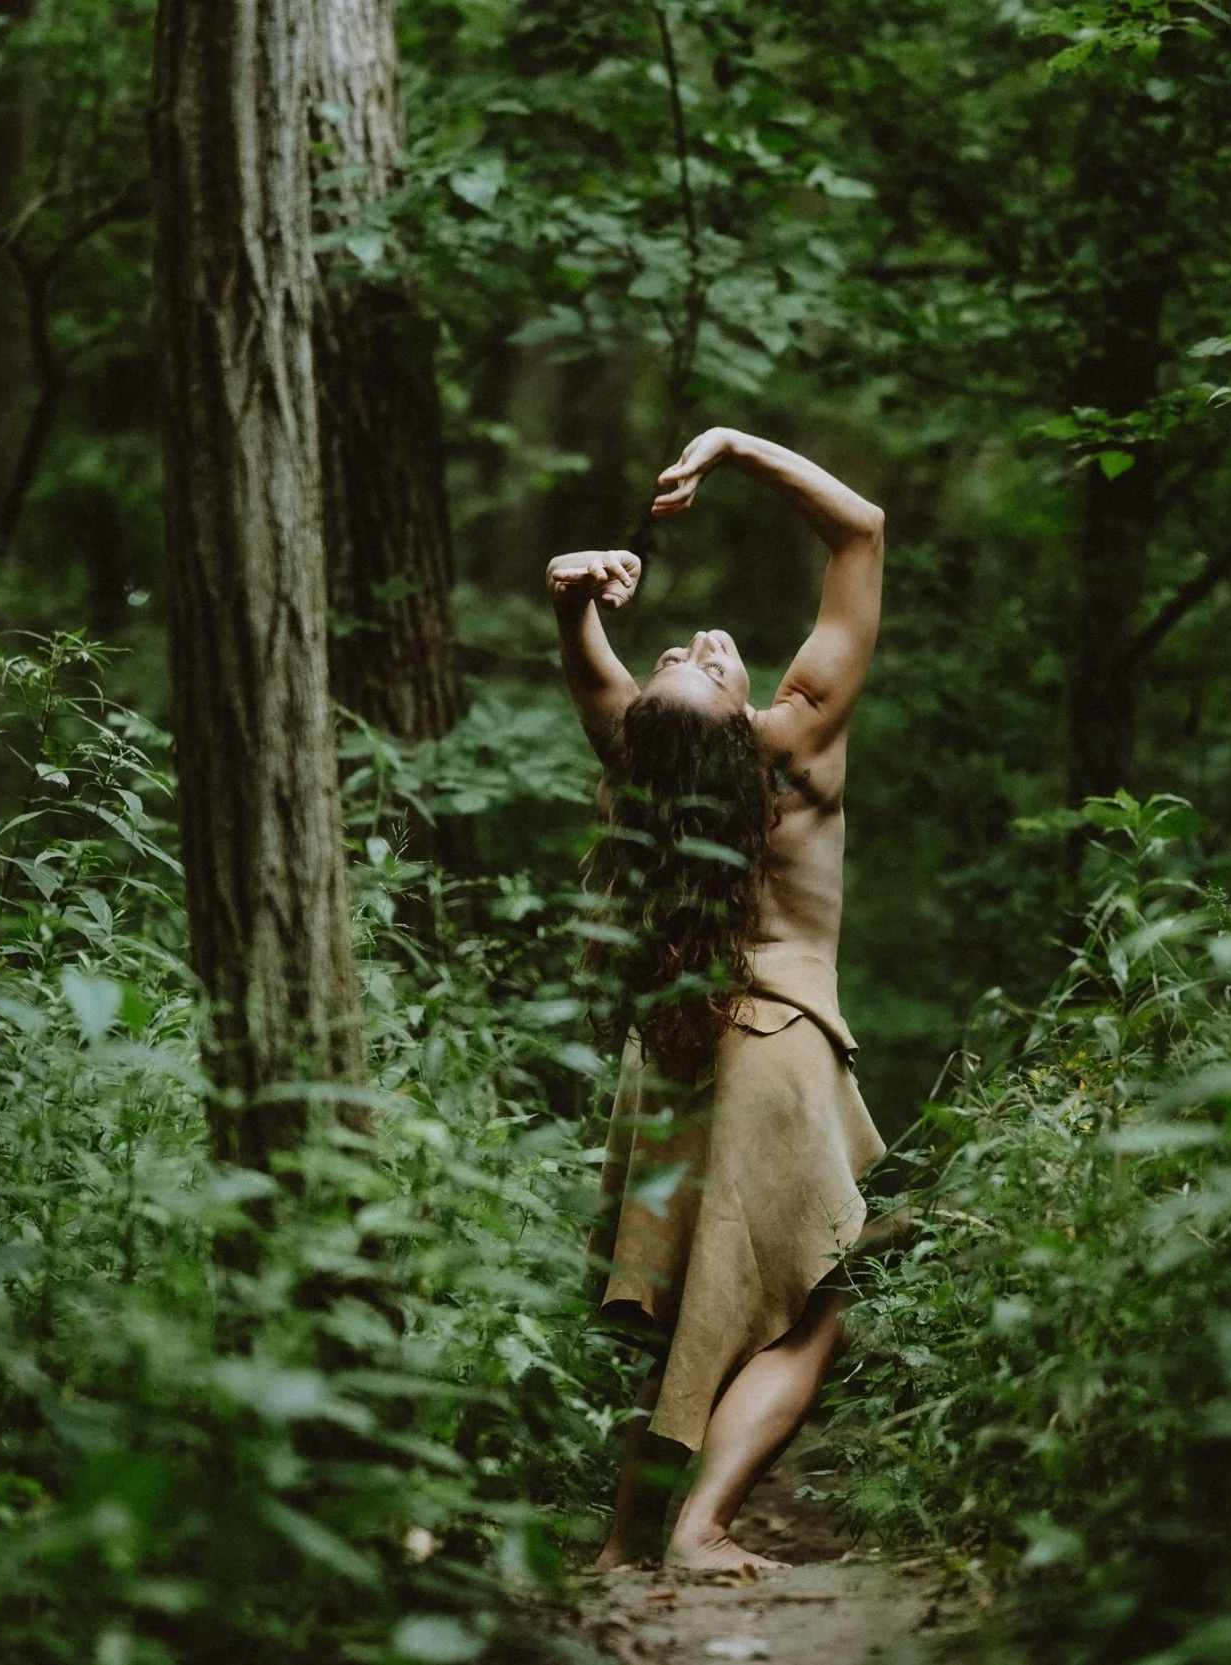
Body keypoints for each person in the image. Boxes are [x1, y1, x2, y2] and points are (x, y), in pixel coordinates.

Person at [546, 426, 887, 1574]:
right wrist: (734, 449)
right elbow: (861, 531)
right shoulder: (792, 745)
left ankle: (624, 1542)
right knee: (815, 1308)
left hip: (677, 1053)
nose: (694, 644)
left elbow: (599, 680)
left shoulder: (638, 767)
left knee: (696, 1314)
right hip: (778, 1047)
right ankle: (698, 1528)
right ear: (732, 716)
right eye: (695, 662)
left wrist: (573, 606)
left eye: (677, 656)